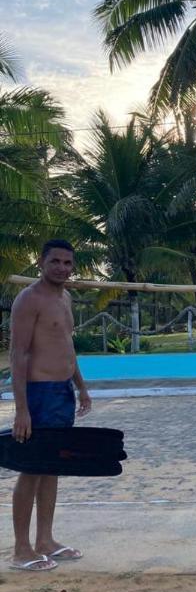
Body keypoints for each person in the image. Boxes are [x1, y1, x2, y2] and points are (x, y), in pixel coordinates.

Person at [9, 240, 91, 571]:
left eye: (67, 263)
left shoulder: (65, 297)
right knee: (31, 468)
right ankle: (21, 550)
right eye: (54, 261)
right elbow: (19, 354)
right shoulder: (29, 300)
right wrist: (22, 409)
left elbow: (65, 346)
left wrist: (81, 388)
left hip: (61, 393)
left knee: (53, 466)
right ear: (41, 262)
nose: (61, 267)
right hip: (38, 393)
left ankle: (45, 540)